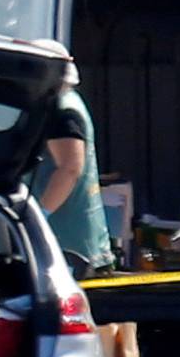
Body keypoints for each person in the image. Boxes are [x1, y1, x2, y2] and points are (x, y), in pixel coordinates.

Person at [33, 57, 113, 276]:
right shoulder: (69, 103)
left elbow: (69, 169)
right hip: (75, 241)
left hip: (66, 245)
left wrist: (38, 217)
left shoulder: (61, 111)